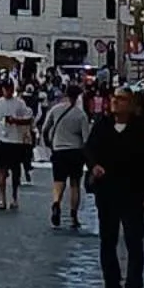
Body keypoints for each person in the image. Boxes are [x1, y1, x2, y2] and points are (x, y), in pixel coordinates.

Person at [84, 86, 144, 288]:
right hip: (107, 193)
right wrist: (94, 165)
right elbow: (88, 150)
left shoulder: (142, 130)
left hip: (133, 194)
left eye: (122, 99)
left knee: (134, 243)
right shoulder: (103, 126)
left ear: (132, 104)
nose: (116, 102)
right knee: (108, 242)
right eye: (115, 98)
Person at [42, 82, 91, 229]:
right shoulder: (81, 115)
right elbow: (86, 139)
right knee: (75, 184)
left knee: (59, 181)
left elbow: (45, 128)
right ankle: (73, 216)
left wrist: (50, 144)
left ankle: (56, 202)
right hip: (75, 152)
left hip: (59, 150)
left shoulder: (55, 110)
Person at [0, 82, 35, 210]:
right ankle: (2, 198)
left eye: (10, 89)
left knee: (15, 171)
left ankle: (14, 197)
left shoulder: (20, 103)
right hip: (1, 139)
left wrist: (15, 121)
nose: (8, 92)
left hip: (16, 140)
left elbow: (28, 119)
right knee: (1, 170)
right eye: (5, 89)